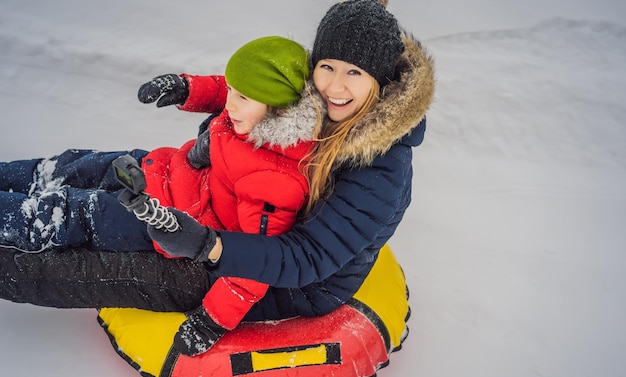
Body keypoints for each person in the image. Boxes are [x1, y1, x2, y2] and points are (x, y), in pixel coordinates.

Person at [0, 0, 435, 355]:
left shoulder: (380, 170)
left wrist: (208, 248)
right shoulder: (317, 98)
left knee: (80, 257)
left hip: (277, 278)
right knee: (90, 165)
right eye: (327, 67)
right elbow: (255, 88)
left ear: (378, 79)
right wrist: (193, 91)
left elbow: (306, 258)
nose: (333, 86)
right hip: (214, 200)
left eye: (354, 73)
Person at [1, 36, 319, 355]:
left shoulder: (274, 182)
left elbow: (255, 264)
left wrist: (211, 321)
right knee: (72, 165)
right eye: (233, 91)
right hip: (161, 168)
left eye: (243, 97)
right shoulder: (254, 112)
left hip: (160, 218)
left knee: (67, 213)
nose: (231, 103)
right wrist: (189, 88)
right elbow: (228, 90)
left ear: (278, 110)